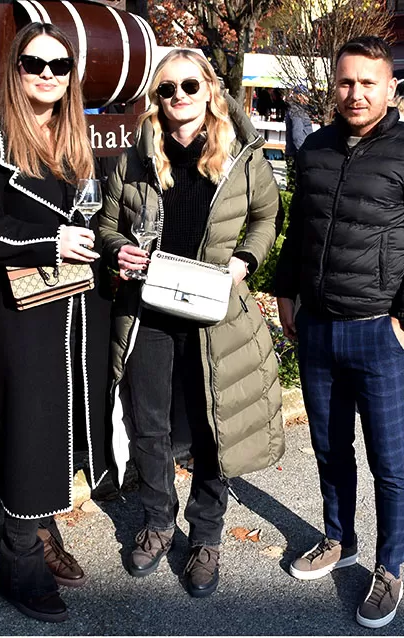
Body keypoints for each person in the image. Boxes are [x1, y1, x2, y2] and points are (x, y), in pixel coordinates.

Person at [274, 36, 404, 629]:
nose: (355, 93)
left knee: (389, 461)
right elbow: (300, 226)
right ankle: (338, 538)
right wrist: (286, 292)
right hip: (319, 329)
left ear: (389, 89)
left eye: (367, 83)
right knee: (330, 447)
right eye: (346, 82)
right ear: (335, 84)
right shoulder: (318, 149)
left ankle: (389, 567)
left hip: (379, 331)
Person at [100, 48, 284, 600]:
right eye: (165, 90)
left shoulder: (241, 156)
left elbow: (265, 216)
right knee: (150, 424)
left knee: (213, 425)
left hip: (215, 311)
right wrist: (117, 253)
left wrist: (244, 262)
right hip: (150, 311)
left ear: (210, 90)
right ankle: (158, 522)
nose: (177, 97)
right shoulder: (134, 159)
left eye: (187, 86)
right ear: (155, 101)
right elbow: (108, 224)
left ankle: (206, 535)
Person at [0, 22, 111, 624]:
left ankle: (44, 533)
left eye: (59, 65)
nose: (47, 74)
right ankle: (19, 562)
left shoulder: (78, 140)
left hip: (79, 309)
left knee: (66, 425)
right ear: (13, 73)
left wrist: (110, 247)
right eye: (33, 64)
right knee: (31, 429)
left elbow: (94, 221)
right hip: (24, 312)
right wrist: (49, 239)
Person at [284, 85, 314, 191]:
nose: (308, 98)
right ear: (299, 96)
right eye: (305, 96)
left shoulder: (299, 110)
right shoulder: (296, 111)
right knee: (296, 187)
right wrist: (303, 153)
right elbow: (297, 136)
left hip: (296, 152)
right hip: (297, 154)